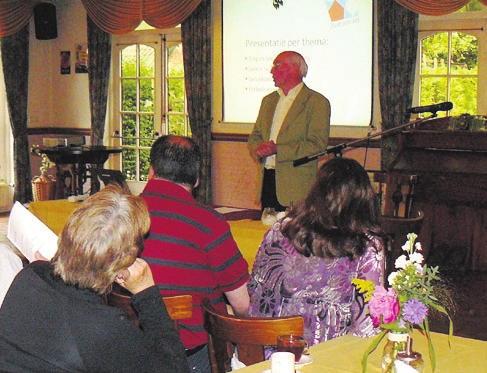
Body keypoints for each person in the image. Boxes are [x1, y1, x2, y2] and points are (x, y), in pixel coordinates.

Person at [0, 185, 190, 373]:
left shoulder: (30, 276)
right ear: (121, 267)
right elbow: (176, 369)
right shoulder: (104, 328)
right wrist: (147, 292)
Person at [140, 135, 250, 373]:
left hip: (130, 350)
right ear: (197, 180)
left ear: (151, 171)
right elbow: (244, 305)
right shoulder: (209, 223)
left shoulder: (121, 214)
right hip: (192, 358)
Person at [247, 157, 385, 346]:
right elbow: (366, 326)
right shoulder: (367, 246)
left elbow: (254, 291)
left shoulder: (281, 229)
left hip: (263, 351)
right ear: (365, 199)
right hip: (323, 358)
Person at [248, 50, 331, 212]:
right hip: (267, 180)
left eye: (277, 65)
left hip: (296, 187)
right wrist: (258, 148)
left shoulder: (316, 102)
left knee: (294, 236)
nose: (272, 71)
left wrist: (278, 149)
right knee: (266, 233)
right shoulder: (268, 101)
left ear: (294, 68)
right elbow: (255, 136)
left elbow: (317, 144)